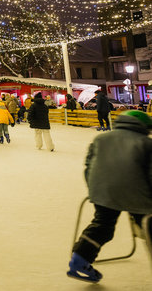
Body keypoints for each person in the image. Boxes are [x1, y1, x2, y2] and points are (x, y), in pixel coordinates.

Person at [67, 110, 152, 283]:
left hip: (102, 192)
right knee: (148, 226)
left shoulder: (100, 139)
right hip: (136, 195)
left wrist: (94, 189)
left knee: (103, 225)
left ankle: (80, 258)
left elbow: (89, 165)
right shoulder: (146, 144)